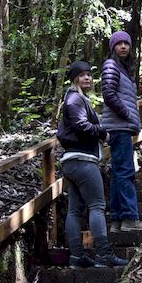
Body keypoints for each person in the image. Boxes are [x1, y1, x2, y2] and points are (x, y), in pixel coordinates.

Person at [57, 60, 127, 269]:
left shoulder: (77, 99)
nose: (87, 78)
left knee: (74, 211)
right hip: (83, 161)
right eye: (82, 75)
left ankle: (78, 257)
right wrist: (102, 132)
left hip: (72, 162)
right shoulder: (74, 100)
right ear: (74, 79)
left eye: (89, 74)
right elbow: (81, 125)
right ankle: (104, 254)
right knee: (97, 206)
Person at [101, 31, 142, 232]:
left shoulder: (122, 69)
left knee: (118, 172)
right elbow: (109, 95)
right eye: (119, 43)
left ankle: (117, 221)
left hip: (120, 127)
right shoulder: (111, 66)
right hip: (119, 126)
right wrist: (128, 116)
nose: (123, 47)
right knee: (126, 172)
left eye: (126, 44)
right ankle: (130, 218)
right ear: (113, 47)